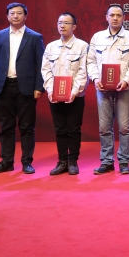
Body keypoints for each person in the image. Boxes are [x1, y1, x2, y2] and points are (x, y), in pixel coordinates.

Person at [0, 2, 45, 175]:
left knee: (27, 127)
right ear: (7, 16)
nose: (15, 16)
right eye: (12, 13)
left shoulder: (35, 37)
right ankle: (6, 161)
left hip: (26, 88)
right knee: (6, 126)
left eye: (19, 13)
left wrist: (39, 87)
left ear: (25, 16)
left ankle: (27, 162)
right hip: (3, 86)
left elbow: (41, 65)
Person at [86, 5, 129, 175]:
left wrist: (126, 80)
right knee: (104, 127)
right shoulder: (97, 37)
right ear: (106, 17)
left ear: (124, 18)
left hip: (124, 88)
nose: (115, 18)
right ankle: (107, 161)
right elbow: (91, 62)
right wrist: (95, 78)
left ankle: (124, 161)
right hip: (102, 89)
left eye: (118, 15)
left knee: (125, 127)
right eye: (112, 15)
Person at [41, 12, 88, 176]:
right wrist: (50, 89)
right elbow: (46, 70)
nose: (62, 26)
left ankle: (73, 160)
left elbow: (83, 71)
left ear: (74, 26)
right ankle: (62, 161)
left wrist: (73, 92)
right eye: (60, 22)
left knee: (74, 129)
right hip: (55, 96)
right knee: (60, 129)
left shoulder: (82, 46)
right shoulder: (51, 47)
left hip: (75, 96)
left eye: (66, 23)